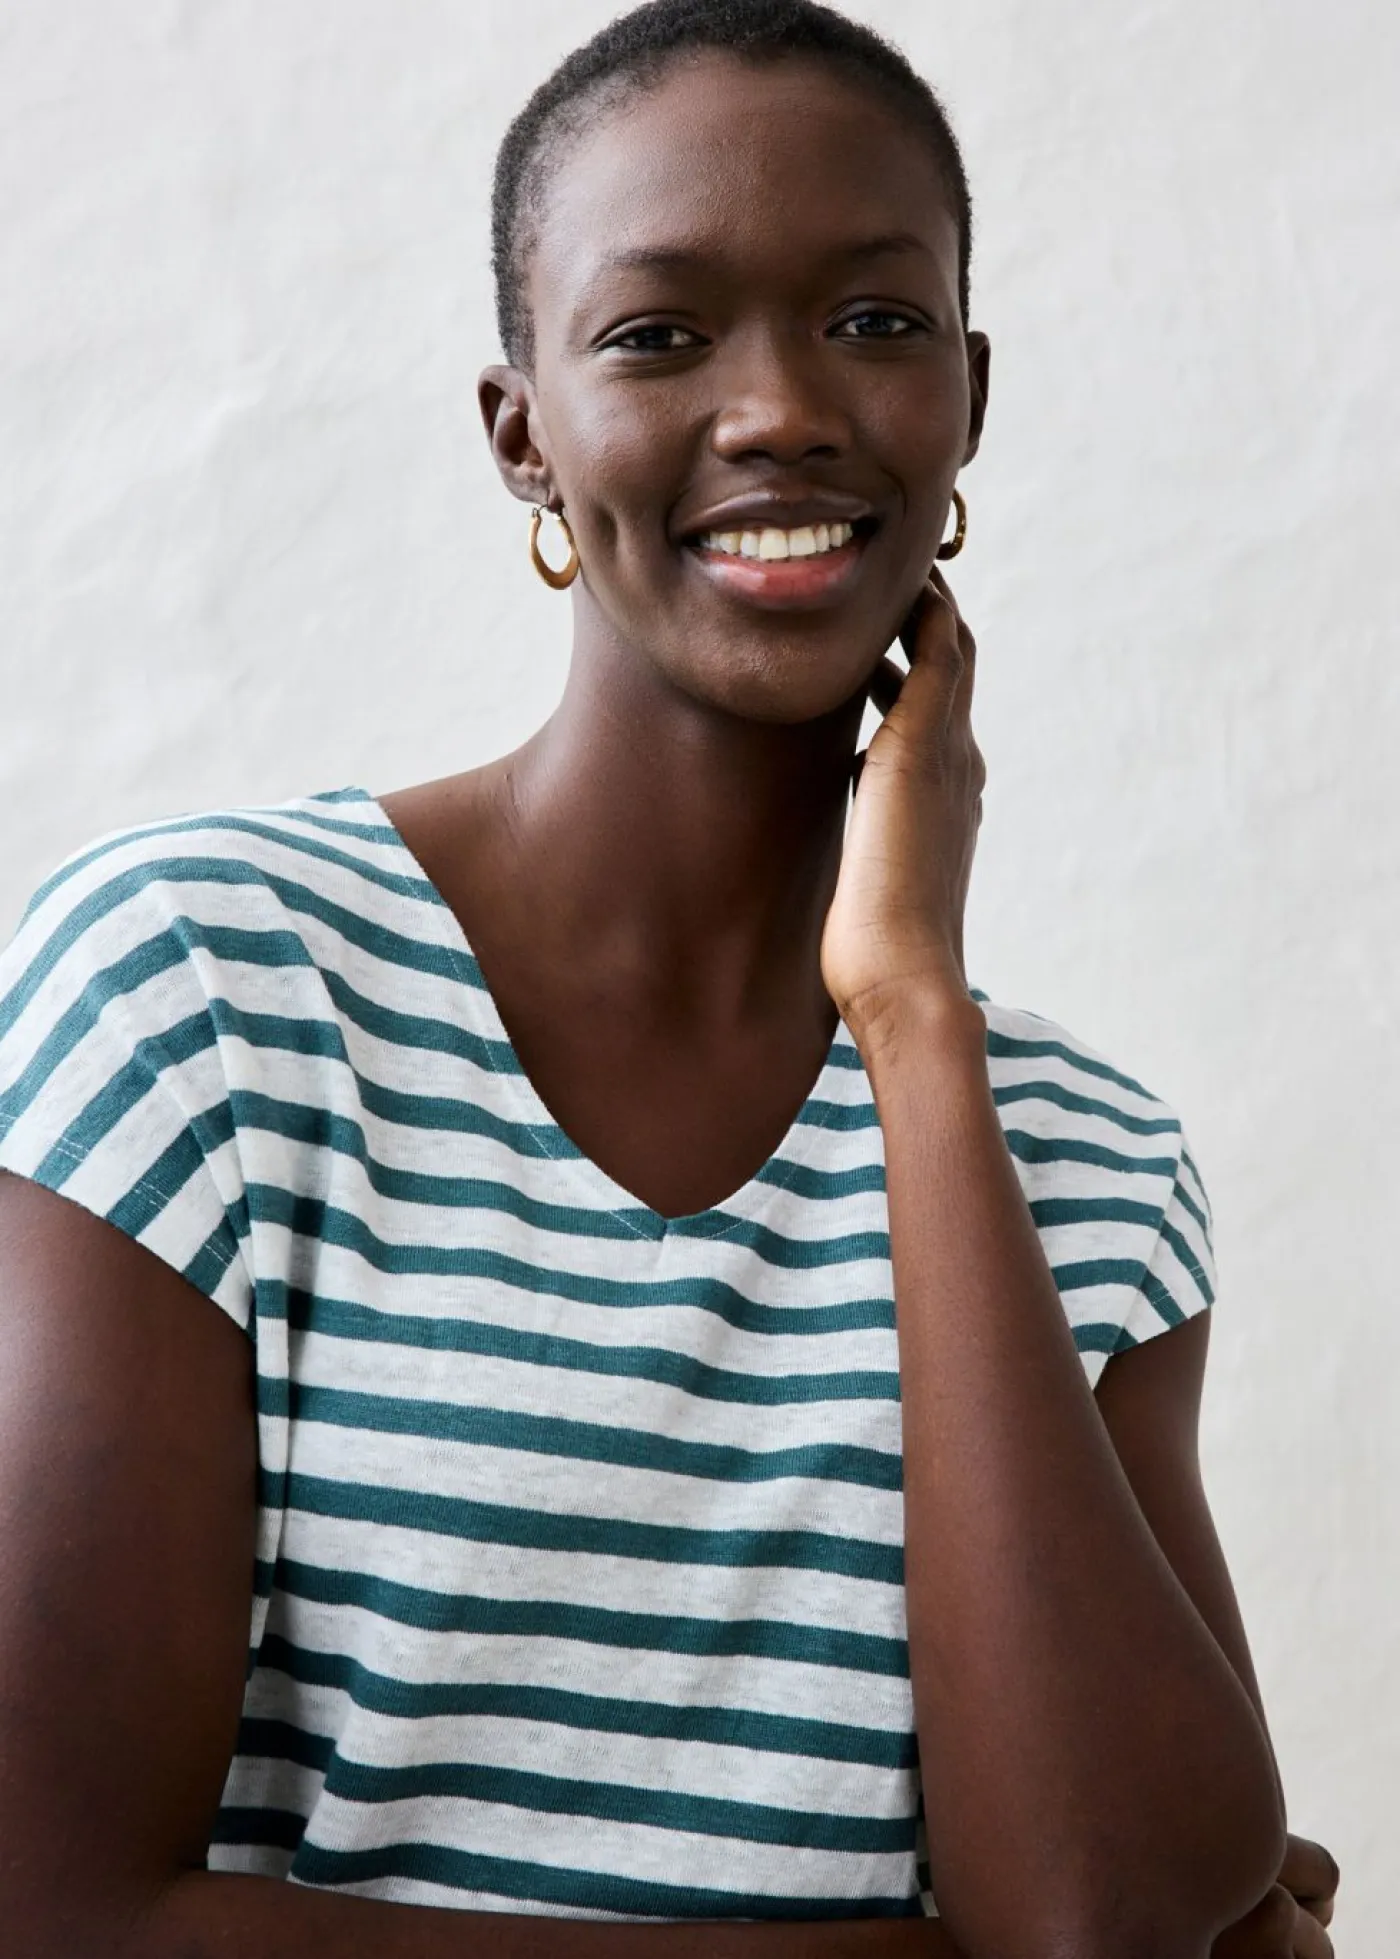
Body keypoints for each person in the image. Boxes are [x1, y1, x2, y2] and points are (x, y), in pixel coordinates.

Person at [0, 2, 1340, 1954]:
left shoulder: (1093, 1165)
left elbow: (1104, 1910)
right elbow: (52, 1912)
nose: (782, 404)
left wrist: (912, 1017)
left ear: (968, 394)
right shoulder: (201, 995)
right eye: (656, 332)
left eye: (874, 324)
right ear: (521, 430)